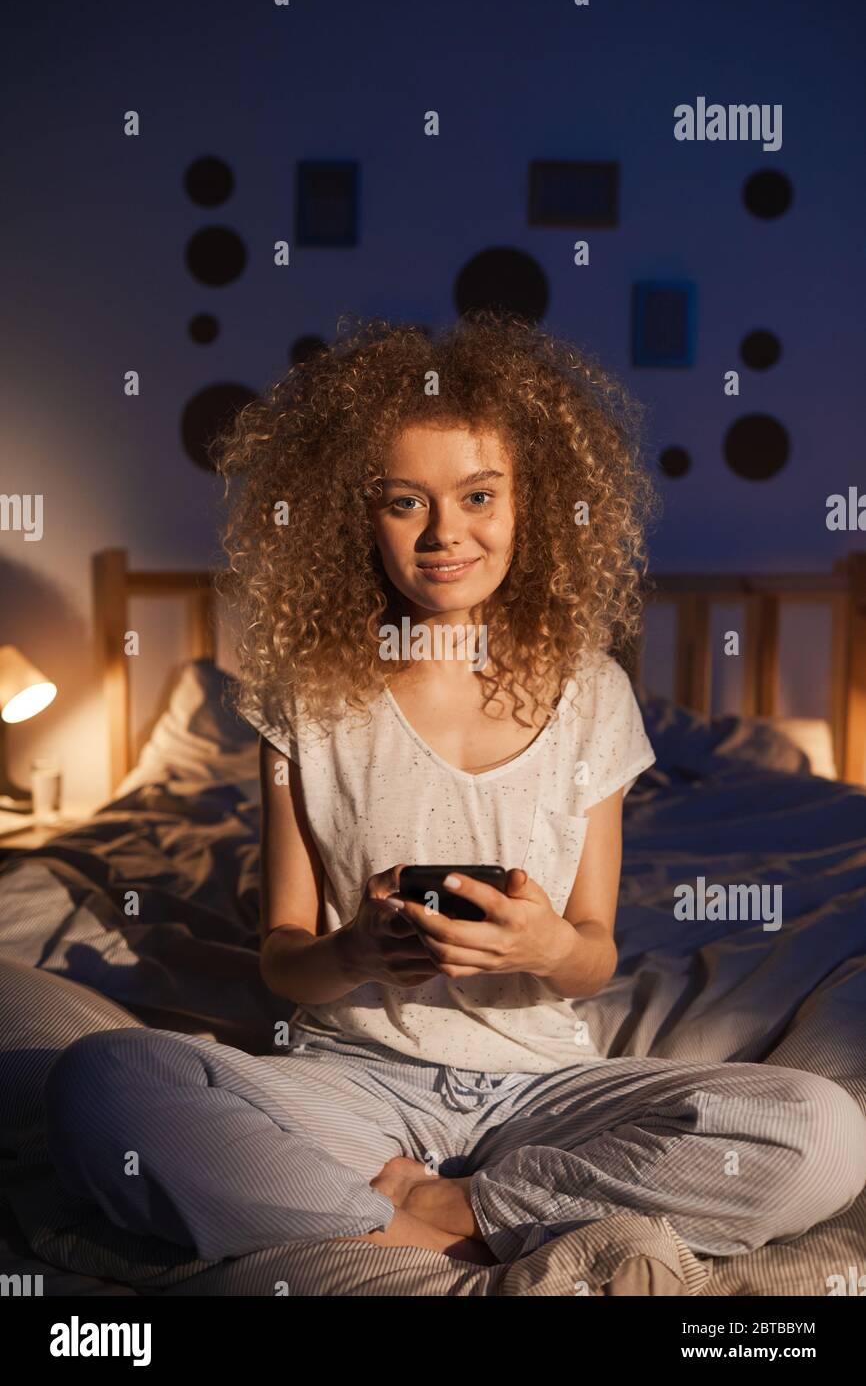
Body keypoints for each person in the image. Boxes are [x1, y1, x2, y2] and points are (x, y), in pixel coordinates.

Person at [44, 313, 866, 1268]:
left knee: (820, 1129)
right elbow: (283, 960)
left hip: (544, 1092)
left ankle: (437, 1213)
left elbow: (592, 956)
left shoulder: (592, 691)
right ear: (358, 516)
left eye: (480, 495)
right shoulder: (304, 702)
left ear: (534, 503)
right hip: (352, 1085)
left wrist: (547, 943)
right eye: (404, 502)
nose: (445, 535)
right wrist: (352, 950)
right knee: (102, 1082)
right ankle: (446, 1223)